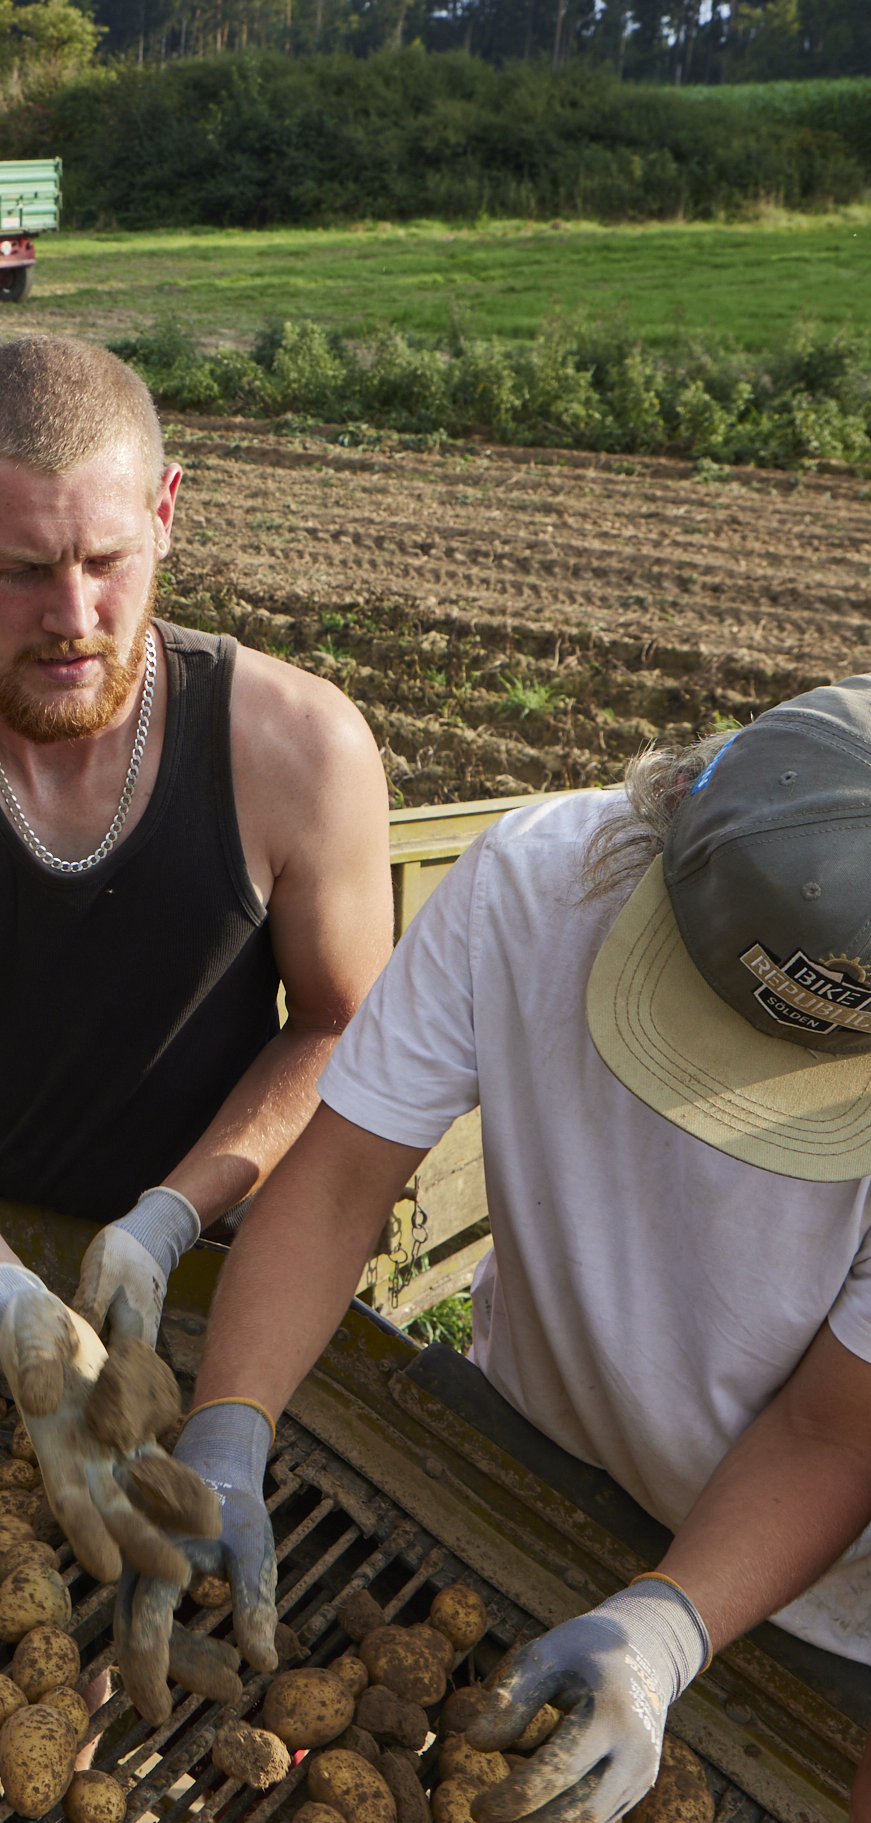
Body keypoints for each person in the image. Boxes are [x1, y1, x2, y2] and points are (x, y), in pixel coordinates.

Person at [128, 696, 871, 1823]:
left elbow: (832, 1427)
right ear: (663, 826)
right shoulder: (539, 878)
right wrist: (228, 1420)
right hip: (525, 1433)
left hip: (795, 1601)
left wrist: (668, 1624)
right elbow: (334, 1185)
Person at [0, 335, 393, 1573]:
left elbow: (339, 1025)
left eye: (108, 560)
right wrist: (6, 1309)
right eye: (15, 571)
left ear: (165, 514)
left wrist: (169, 1215)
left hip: (217, 1280)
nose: (71, 618)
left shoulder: (299, 746)